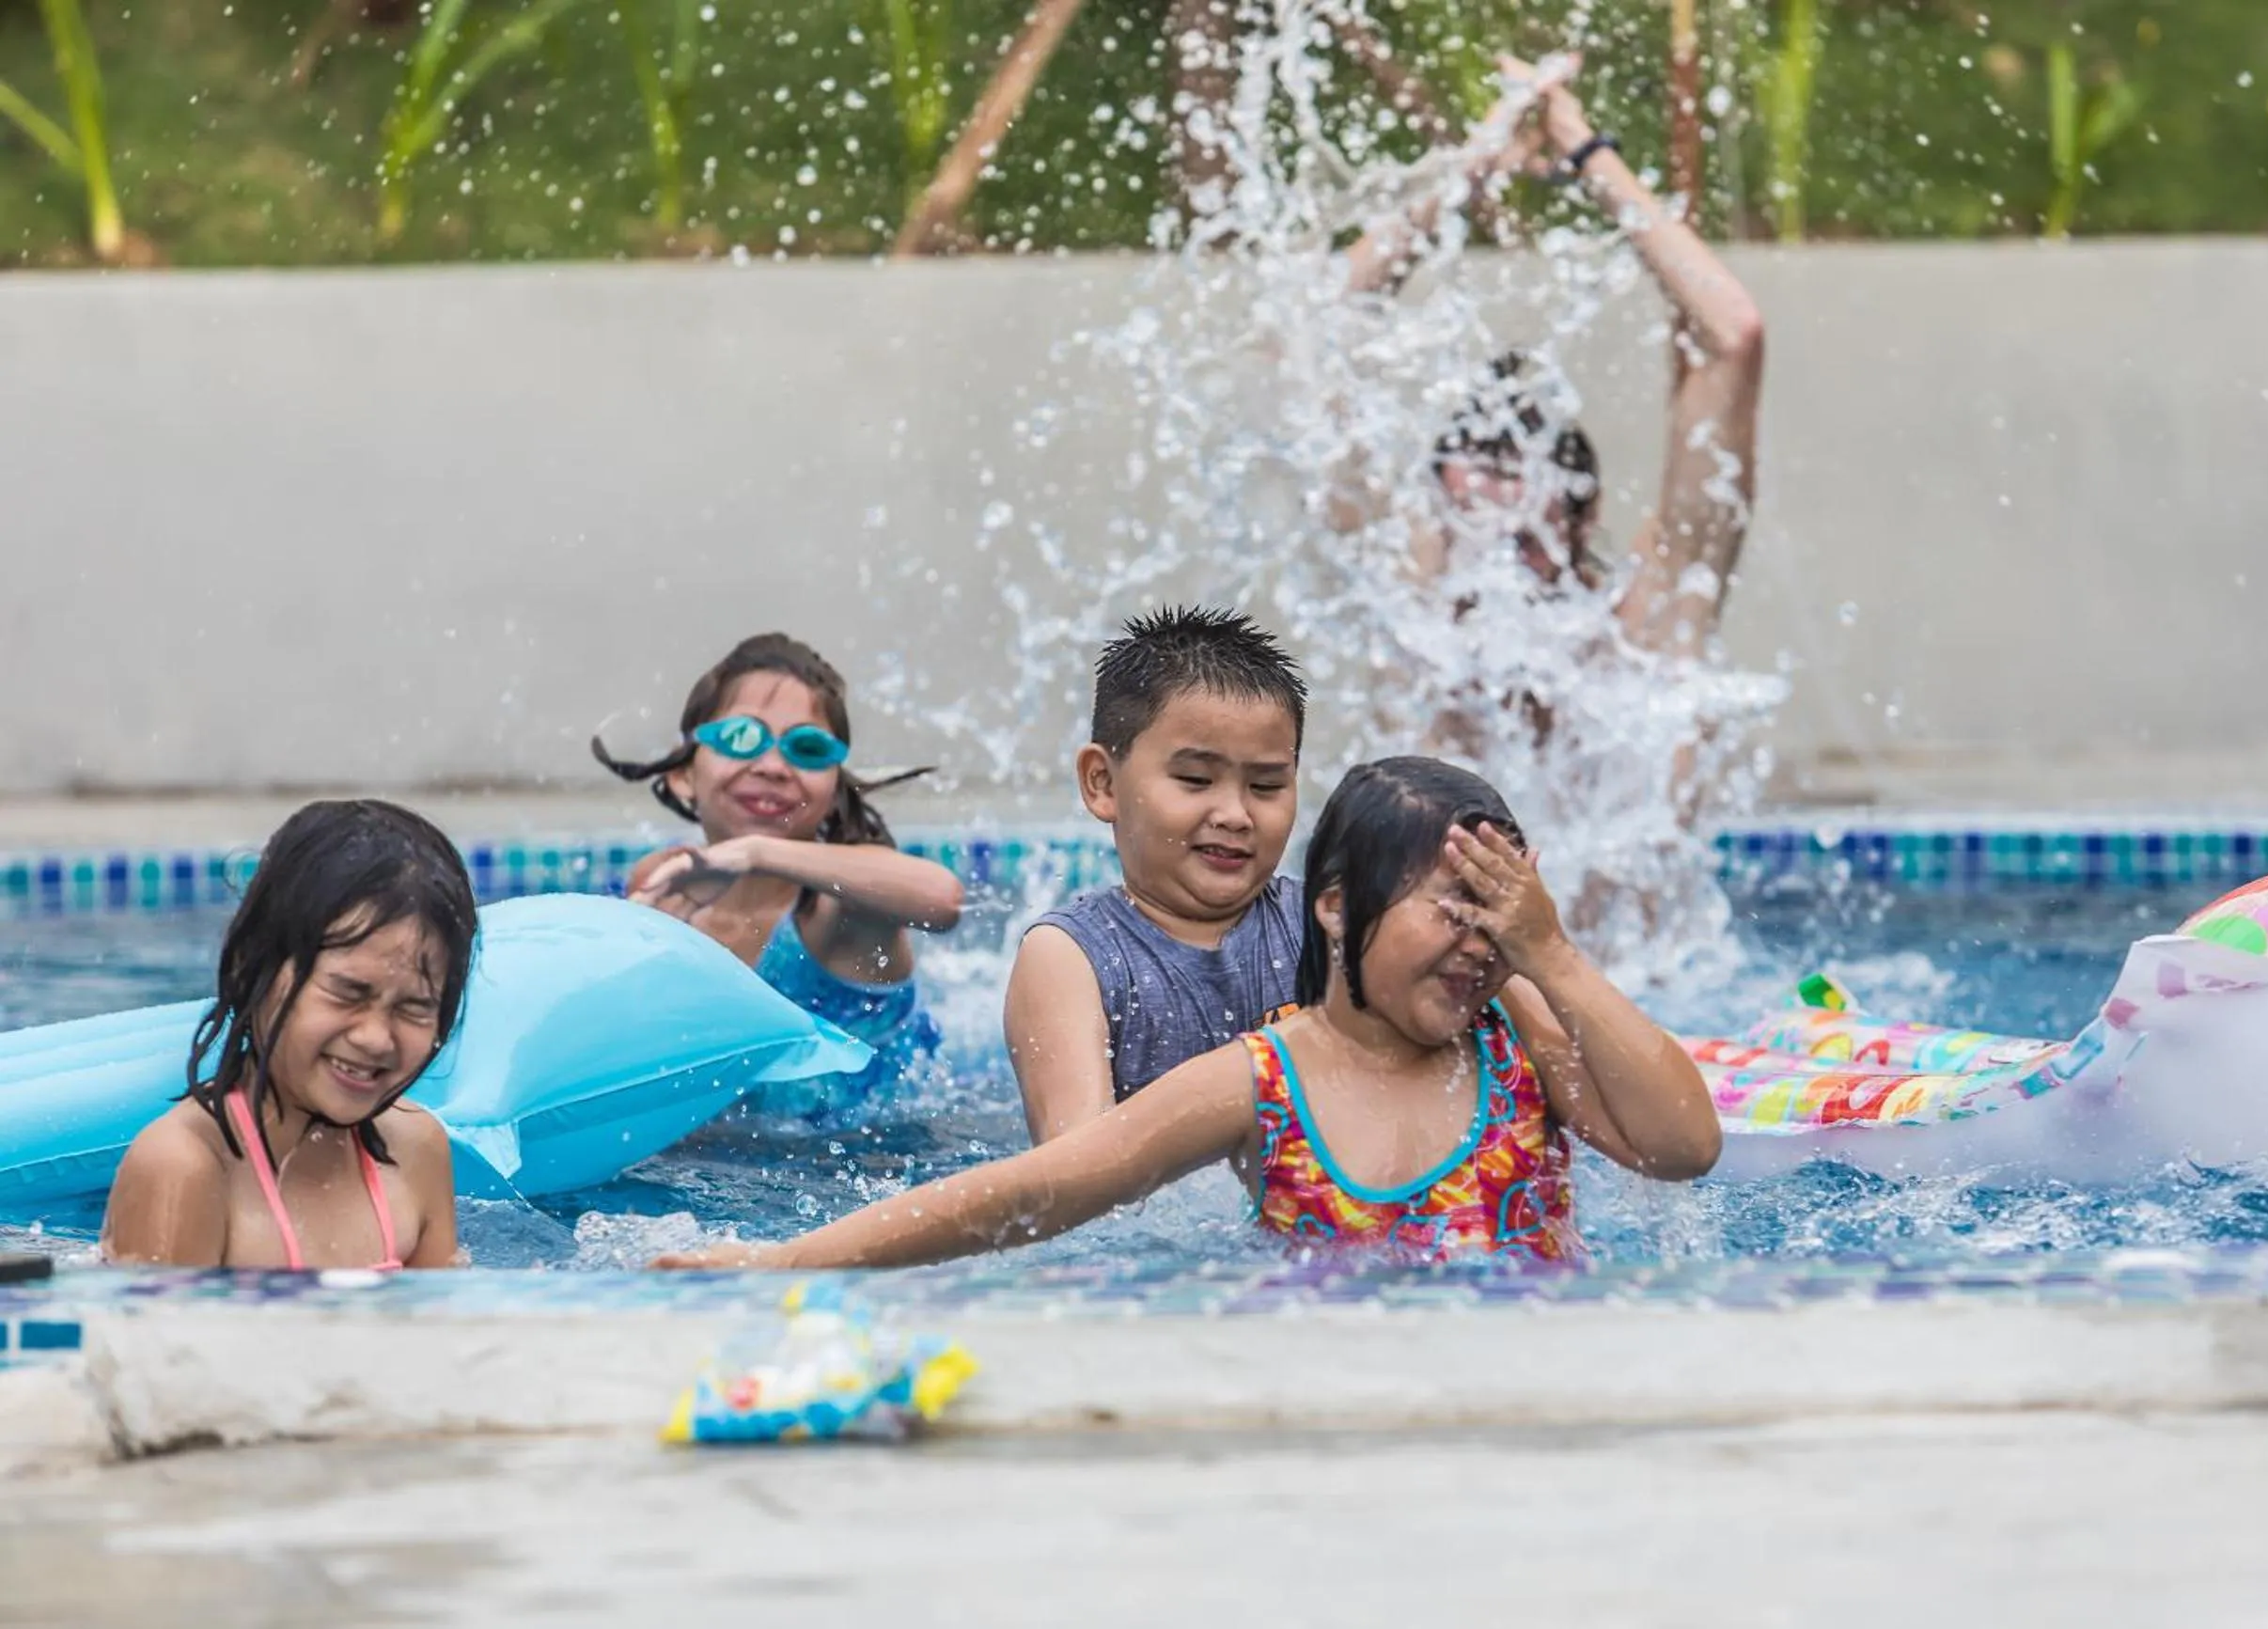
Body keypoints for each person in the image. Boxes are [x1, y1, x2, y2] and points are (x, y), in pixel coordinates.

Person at [653, 757, 1718, 1272]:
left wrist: (1556, 957)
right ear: (1338, 908)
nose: (1478, 944)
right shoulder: (1265, 1081)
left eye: (1501, 917)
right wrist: (780, 1259)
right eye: (1452, 910)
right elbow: (1036, 1191)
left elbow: (1683, 1146)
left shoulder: (1519, 1037)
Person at [1343, 53, 1766, 666]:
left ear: (1585, 515)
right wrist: (1468, 167)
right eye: (1476, 532)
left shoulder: (1643, 629)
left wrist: (1588, 152)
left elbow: (1736, 336)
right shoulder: (1415, 625)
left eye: (1524, 541)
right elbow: (1330, 325)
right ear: (1436, 519)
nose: (1502, 563)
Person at [594, 634, 963, 1112]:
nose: (771, 765)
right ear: (683, 774)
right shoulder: (669, 883)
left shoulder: (838, 916)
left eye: (807, 749)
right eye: (740, 738)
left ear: (833, 790)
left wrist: (756, 852)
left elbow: (943, 899)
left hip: (864, 1162)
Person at [102, 801, 474, 1270]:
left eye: (414, 1008)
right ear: (254, 965)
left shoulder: (417, 1149)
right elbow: (158, 1343)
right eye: (347, 993)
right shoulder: (186, 1169)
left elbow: (447, 1336)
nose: (376, 1037)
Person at [1005, 605, 1308, 1143]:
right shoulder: (1071, 959)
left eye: (1265, 787)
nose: (1236, 814)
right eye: (1195, 779)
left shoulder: (1322, 927)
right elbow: (1077, 1171)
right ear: (1102, 782)